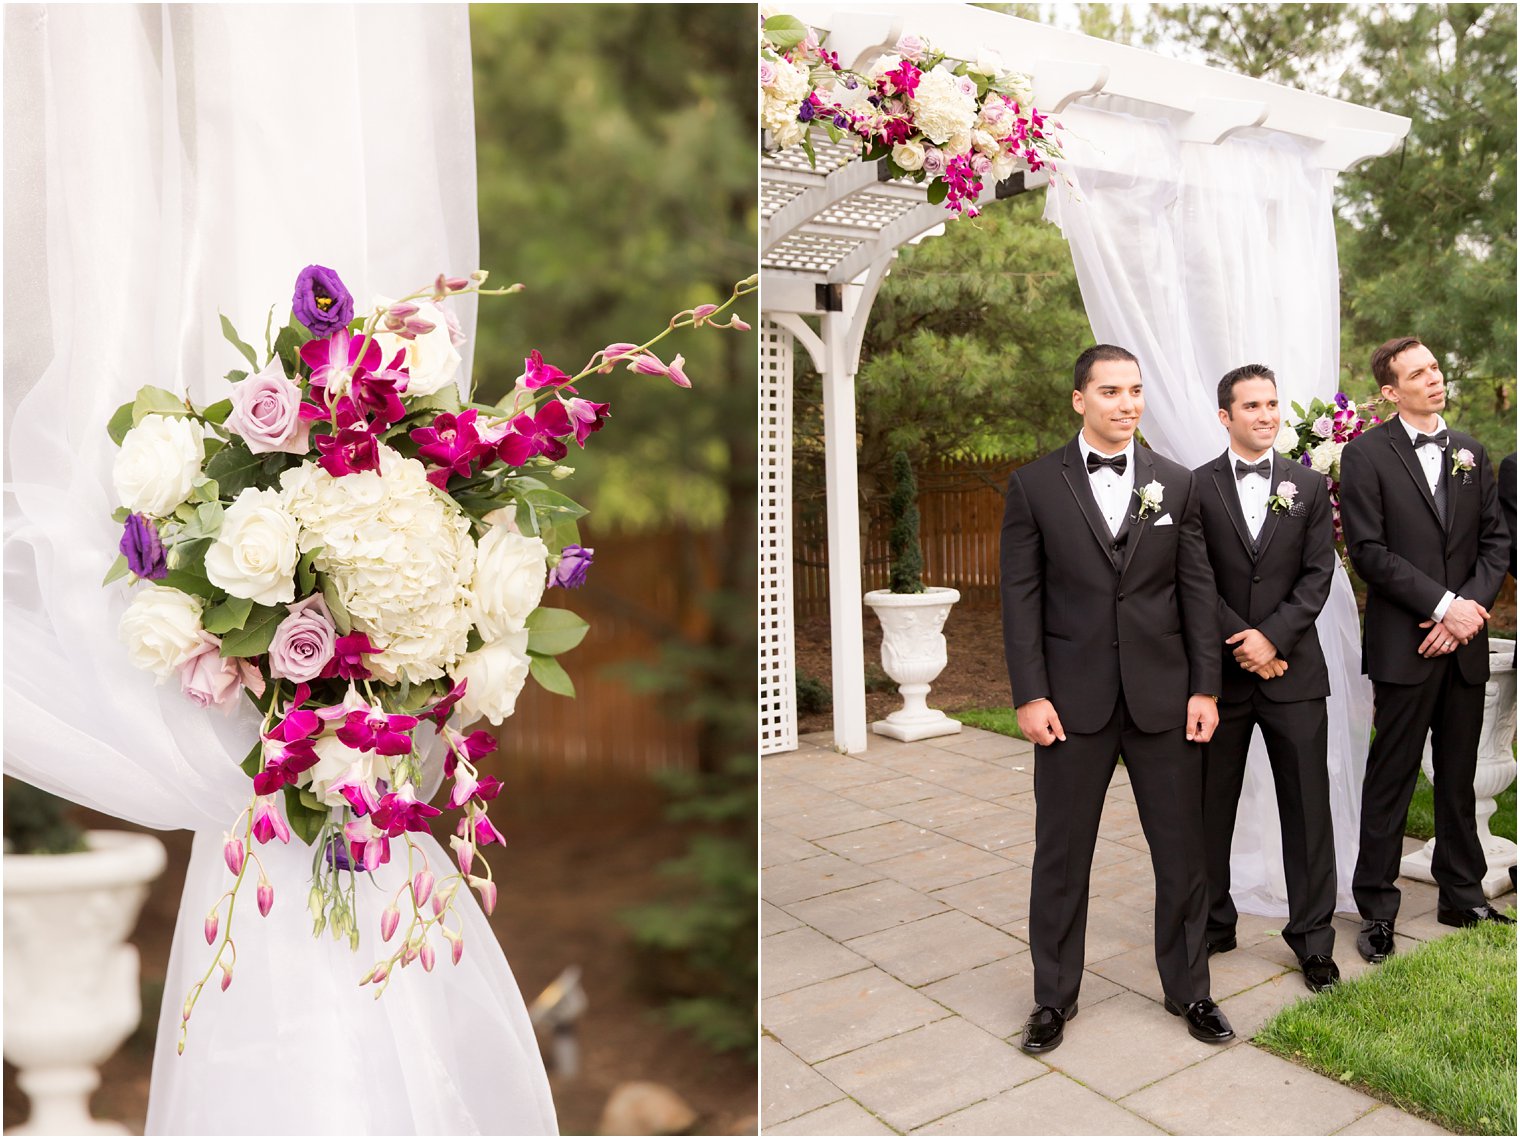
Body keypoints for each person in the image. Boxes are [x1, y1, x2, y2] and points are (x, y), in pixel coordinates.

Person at [1000, 344, 1232, 1053]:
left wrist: (1204, 685)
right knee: (1061, 855)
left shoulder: (1178, 483)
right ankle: (1052, 998)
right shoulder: (1035, 485)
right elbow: (1020, 600)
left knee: (1183, 853)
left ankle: (1191, 988)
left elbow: (1197, 593)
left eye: (1134, 390)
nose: (1127, 403)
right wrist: (1031, 694)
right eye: (1110, 391)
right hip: (1071, 703)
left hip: (1165, 697)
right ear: (1079, 399)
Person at [1339, 337, 1513, 965]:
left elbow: (1495, 541)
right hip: (1406, 643)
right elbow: (1369, 551)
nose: (1434, 379)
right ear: (1390, 391)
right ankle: (1377, 910)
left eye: (1437, 367)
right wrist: (1443, 608)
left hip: (1462, 642)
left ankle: (1460, 894)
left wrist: (1466, 612)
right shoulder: (1364, 456)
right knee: (1392, 776)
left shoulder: (1470, 449)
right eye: (1418, 373)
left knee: (1459, 774)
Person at [1193, 364, 1339, 992]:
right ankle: (1211, 921)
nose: (1267, 415)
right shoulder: (1193, 488)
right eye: (1251, 405)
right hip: (1220, 678)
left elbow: (1317, 576)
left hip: (1295, 674)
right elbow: (1193, 580)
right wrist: (1245, 645)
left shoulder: (1309, 486)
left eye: (1273, 404)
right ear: (1225, 416)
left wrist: (1272, 640)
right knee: (1206, 809)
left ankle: (1312, 940)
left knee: (1307, 810)